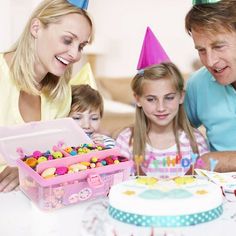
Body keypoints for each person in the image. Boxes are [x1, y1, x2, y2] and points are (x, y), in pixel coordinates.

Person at [0, 0, 93, 192]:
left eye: (81, 46)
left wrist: (29, 169)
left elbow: (53, 158)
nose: (75, 54)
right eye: (67, 40)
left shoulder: (61, 94)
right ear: (36, 28)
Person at [116, 62, 209, 178]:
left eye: (169, 98)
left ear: (181, 96)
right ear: (138, 99)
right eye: (151, 99)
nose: (161, 108)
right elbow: (120, 187)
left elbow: (204, 187)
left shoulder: (195, 141)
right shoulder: (126, 141)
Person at [184, 0, 236, 172]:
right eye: (201, 50)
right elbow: (173, 132)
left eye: (219, 46)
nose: (210, 61)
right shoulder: (197, 84)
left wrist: (219, 160)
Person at [69, 84, 115, 148]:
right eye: (77, 118)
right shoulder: (60, 143)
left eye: (94, 118)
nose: (86, 125)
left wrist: (102, 149)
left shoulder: (107, 143)